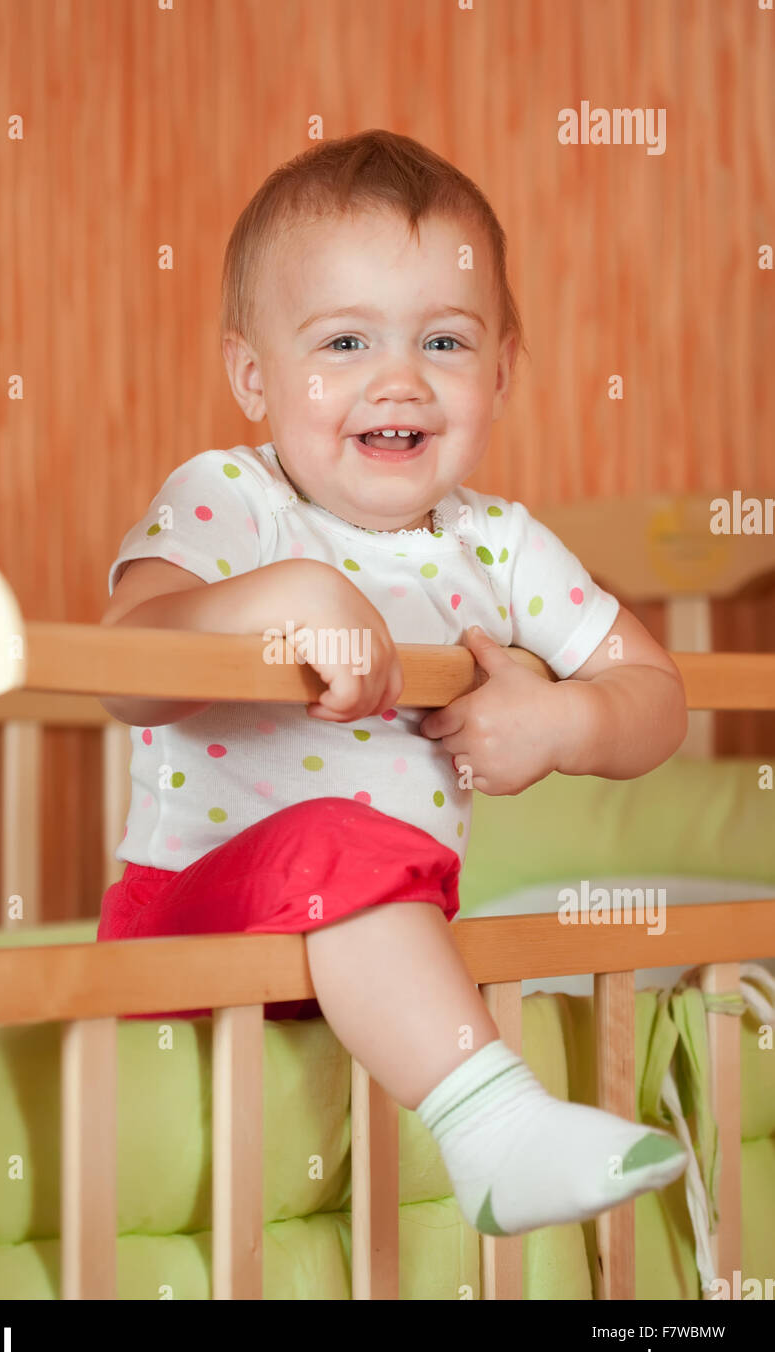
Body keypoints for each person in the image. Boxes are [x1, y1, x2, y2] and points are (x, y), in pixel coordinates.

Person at [97, 129, 689, 1238]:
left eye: (446, 340)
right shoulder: (234, 499)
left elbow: (656, 697)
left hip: (376, 929)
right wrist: (279, 594)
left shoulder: (500, 546)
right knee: (340, 833)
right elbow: (124, 665)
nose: (399, 377)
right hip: (194, 920)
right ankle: (496, 1128)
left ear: (503, 370)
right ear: (252, 374)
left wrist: (565, 717)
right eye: (347, 339)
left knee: (368, 862)